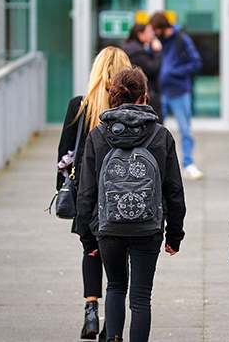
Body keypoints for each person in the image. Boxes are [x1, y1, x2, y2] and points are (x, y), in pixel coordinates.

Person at [76, 67, 186, 342]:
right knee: (140, 297)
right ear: (145, 96)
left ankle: (113, 338)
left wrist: (87, 238)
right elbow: (174, 190)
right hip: (148, 228)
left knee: (114, 287)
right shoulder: (161, 135)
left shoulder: (98, 135)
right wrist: (174, 234)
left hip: (107, 228)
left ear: (114, 95)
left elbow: (86, 191)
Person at [56, 46, 132, 341]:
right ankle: (110, 328)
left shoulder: (80, 106)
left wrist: (64, 193)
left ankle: (91, 309)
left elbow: (65, 153)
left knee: (91, 251)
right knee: (118, 259)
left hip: (87, 196)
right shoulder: (131, 110)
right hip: (120, 194)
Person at [149, 12, 204, 180]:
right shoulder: (156, 43)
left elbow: (196, 62)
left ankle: (188, 164)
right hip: (160, 92)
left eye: (155, 29)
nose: (153, 33)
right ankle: (156, 164)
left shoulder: (182, 39)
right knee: (155, 129)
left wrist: (174, 73)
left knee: (185, 130)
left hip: (180, 92)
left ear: (161, 28)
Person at [123, 23, 164, 123]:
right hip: (144, 97)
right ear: (140, 35)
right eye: (149, 32)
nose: (153, 35)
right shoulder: (136, 52)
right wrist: (157, 52)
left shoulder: (131, 49)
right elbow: (153, 69)